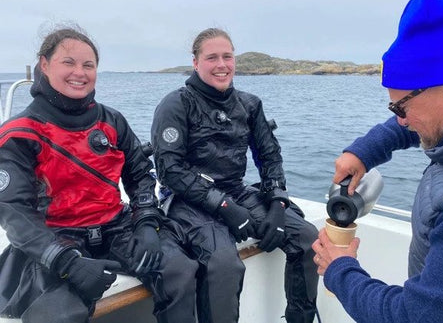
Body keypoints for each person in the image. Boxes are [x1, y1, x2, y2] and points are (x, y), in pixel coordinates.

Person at [0, 25, 197, 323]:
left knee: (180, 272)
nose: (79, 72)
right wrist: (65, 261)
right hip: (54, 237)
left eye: (88, 65)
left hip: (116, 228)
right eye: (69, 62)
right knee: (58, 313)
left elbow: (140, 175)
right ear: (44, 64)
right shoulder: (19, 133)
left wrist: (146, 222)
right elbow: (13, 211)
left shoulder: (112, 120)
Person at [312, 0, 443, 322]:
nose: (401, 121)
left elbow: (415, 316)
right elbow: (415, 124)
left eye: (401, 107)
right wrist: (364, 151)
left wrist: (340, 269)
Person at [151, 28, 319, 323]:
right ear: (195, 62)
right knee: (224, 264)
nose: (221, 65)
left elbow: (269, 157)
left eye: (227, 56)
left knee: (306, 237)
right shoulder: (176, 104)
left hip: (235, 191)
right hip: (187, 200)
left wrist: (278, 205)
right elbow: (170, 170)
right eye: (211, 57)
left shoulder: (249, 104)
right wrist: (224, 207)